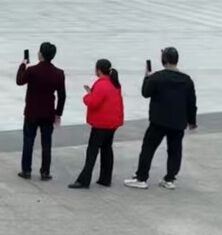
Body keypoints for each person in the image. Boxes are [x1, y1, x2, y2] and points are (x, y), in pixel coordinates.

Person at [127, 47, 196, 189]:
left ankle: (141, 177)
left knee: (148, 147)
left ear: (163, 60)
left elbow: (145, 93)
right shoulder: (187, 80)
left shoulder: (157, 77)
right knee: (175, 150)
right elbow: (191, 102)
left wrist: (147, 77)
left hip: (159, 121)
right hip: (178, 122)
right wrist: (192, 121)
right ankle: (170, 179)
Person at [69, 59, 124, 189]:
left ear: (98, 70)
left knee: (92, 151)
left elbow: (93, 102)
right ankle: (105, 178)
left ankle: (84, 180)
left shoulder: (101, 84)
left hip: (101, 124)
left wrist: (87, 96)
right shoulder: (115, 83)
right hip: (112, 123)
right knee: (106, 149)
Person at [16, 42, 67, 181]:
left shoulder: (32, 70)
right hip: (48, 112)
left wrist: (23, 65)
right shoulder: (59, 73)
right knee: (46, 142)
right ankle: (45, 171)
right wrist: (58, 113)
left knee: (28, 141)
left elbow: (19, 81)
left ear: (40, 54)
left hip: (32, 111)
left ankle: (26, 170)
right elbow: (62, 96)